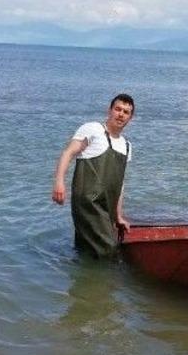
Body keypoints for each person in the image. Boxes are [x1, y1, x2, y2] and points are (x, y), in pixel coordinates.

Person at [52, 94, 135, 258]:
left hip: (107, 205)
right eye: (118, 109)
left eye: (126, 112)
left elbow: (120, 183)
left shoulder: (127, 146)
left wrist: (118, 215)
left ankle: (81, 279)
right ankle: (109, 282)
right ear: (109, 110)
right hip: (88, 202)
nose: (121, 114)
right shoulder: (93, 129)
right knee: (108, 249)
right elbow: (68, 153)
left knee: (86, 250)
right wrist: (59, 183)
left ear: (130, 118)